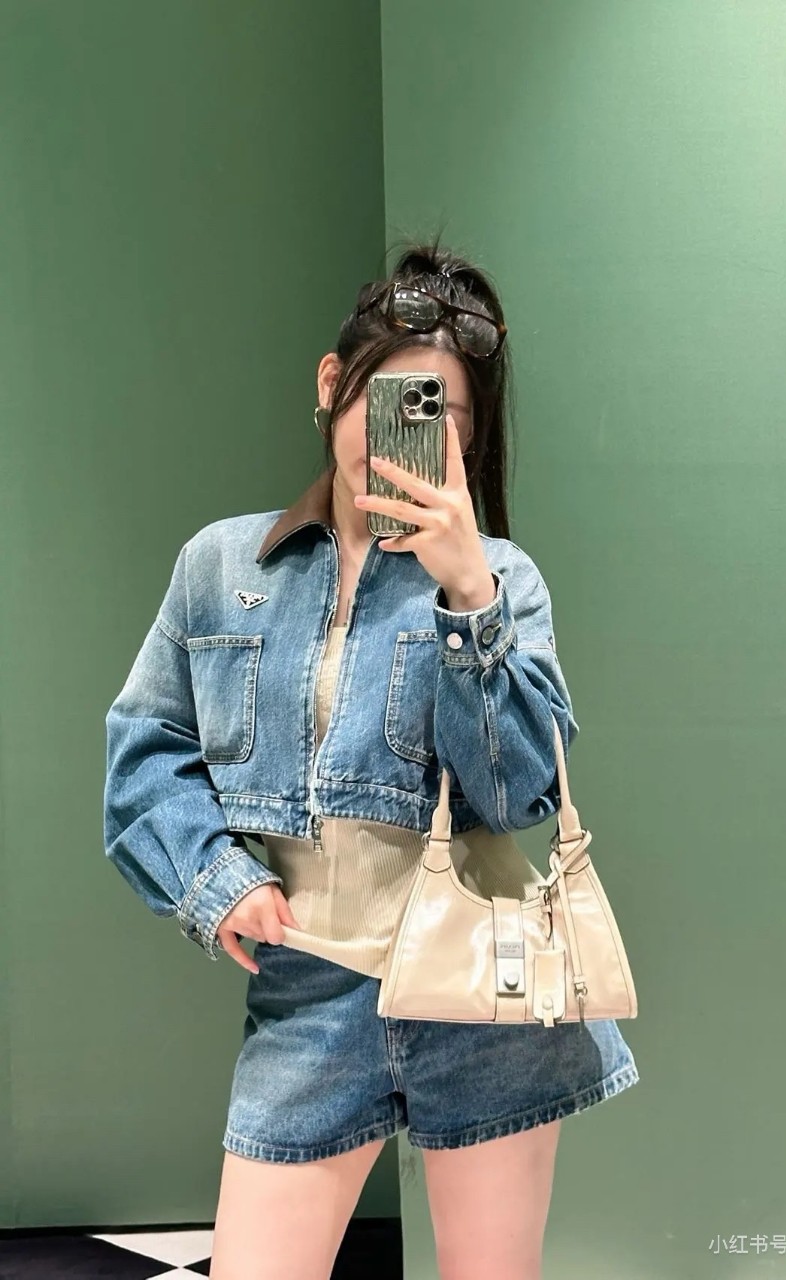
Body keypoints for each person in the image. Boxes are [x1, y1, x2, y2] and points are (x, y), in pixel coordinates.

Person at [103, 235, 639, 1280]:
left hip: (481, 997)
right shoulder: (221, 564)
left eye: (440, 415)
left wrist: (468, 595)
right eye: (388, 399)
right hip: (308, 991)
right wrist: (215, 880)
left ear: (468, 438)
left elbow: (516, 790)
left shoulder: (503, 580)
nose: (401, 435)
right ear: (330, 386)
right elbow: (145, 749)